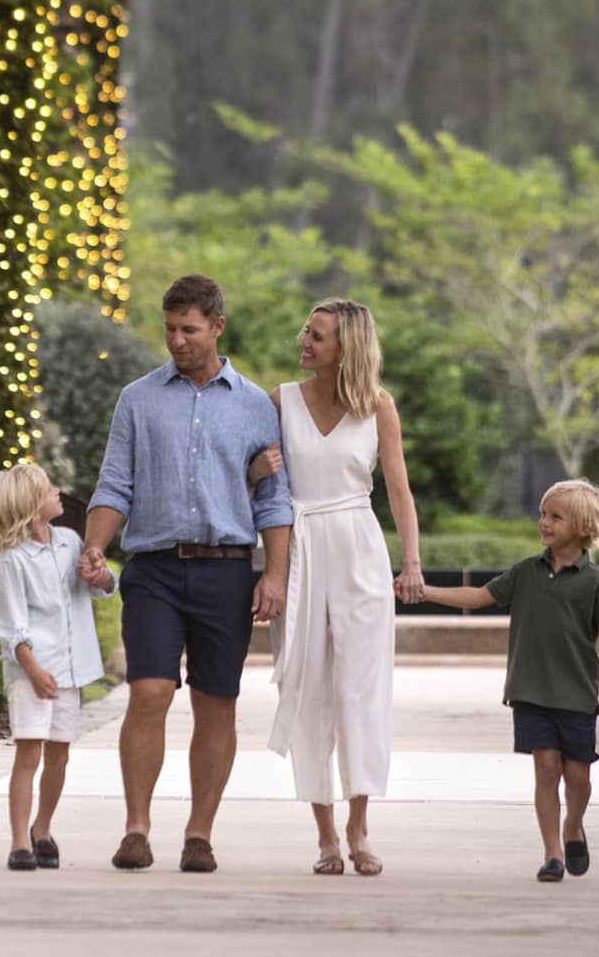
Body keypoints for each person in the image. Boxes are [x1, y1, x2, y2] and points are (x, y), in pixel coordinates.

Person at [79, 273, 292, 874]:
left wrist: (273, 575)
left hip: (227, 572)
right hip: (154, 570)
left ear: (217, 327)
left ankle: (199, 833)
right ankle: (137, 828)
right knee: (148, 692)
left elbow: (275, 503)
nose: (177, 340)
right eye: (170, 329)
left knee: (216, 703)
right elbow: (114, 485)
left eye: (189, 330)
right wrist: (96, 545)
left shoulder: (255, 405)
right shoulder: (138, 400)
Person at [251, 299, 423, 877]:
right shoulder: (280, 400)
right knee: (306, 688)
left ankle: (359, 824)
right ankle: (325, 833)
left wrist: (412, 562)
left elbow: (398, 490)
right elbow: (259, 481)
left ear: (346, 346)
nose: (305, 341)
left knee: (361, 690)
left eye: (317, 336)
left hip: (358, 549)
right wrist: (254, 476)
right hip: (300, 551)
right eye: (306, 332)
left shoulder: (378, 407)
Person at [412, 477, 599, 882]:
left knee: (579, 779)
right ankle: (553, 853)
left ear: (584, 527)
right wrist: (425, 591)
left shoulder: (596, 583)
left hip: (576, 695)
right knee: (547, 769)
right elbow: (480, 596)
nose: (544, 523)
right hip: (530, 690)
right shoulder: (525, 572)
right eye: (542, 514)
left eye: (556, 517)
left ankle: (574, 826)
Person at [0, 461, 116, 871]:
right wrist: (34, 671)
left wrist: (102, 578)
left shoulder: (72, 542)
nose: (57, 490)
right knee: (29, 753)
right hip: (32, 673)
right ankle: (20, 840)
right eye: (47, 489)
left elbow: (103, 589)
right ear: (30, 506)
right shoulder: (11, 562)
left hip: (69, 672)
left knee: (59, 754)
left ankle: (44, 828)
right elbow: (10, 628)